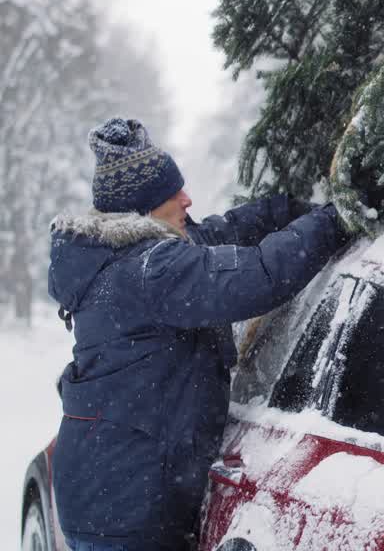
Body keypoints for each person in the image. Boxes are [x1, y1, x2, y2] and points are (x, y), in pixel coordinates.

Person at [47, 118, 351, 550]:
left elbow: (217, 233)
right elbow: (255, 277)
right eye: (174, 195)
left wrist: (285, 210)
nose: (187, 199)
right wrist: (335, 219)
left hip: (103, 489)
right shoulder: (150, 271)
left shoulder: (116, 258)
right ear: (144, 212)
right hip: (126, 510)